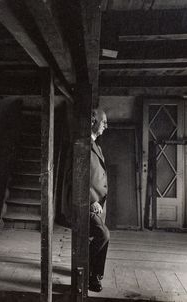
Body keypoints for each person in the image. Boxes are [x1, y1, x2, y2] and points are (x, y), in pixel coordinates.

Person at [89, 108, 110, 292]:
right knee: (103, 235)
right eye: (103, 122)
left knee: (105, 235)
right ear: (93, 121)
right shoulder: (83, 145)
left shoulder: (97, 146)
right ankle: (86, 269)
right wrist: (91, 200)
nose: (106, 126)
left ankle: (95, 275)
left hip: (99, 205)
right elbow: (76, 176)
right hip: (87, 205)